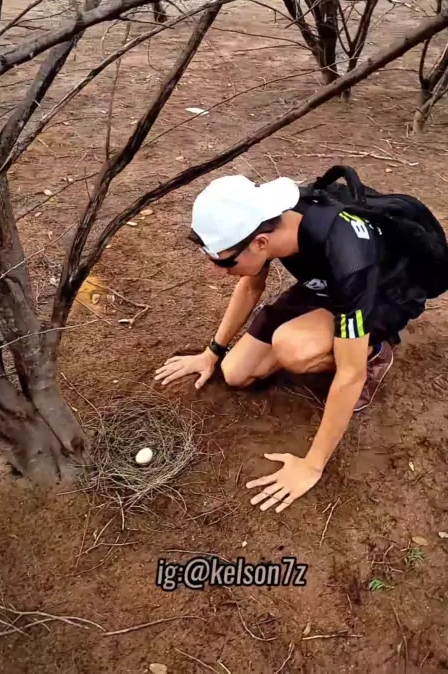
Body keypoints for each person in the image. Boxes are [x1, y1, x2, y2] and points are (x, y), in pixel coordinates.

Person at [155, 173, 430, 514]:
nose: (219, 272)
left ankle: (375, 351)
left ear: (260, 243)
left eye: (225, 263)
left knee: (293, 348)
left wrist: (312, 465)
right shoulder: (265, 218)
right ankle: (320, 332)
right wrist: (212, 352)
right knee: (236, 372)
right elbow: (251, 286)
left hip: (380, 294)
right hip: (323, 284)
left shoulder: (350, 256)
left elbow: (349, 375)